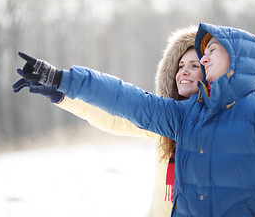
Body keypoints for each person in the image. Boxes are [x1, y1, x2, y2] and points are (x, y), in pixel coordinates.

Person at [13, 23, 255, 216]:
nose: (185, 71)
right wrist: (63, 86)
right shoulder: (177, 118)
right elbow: (120, 105)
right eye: (180, 66)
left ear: (235, 60)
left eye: (197, 62)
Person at [13, 26, 202, 217]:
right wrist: (60, 93)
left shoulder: (219, 125)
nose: (184, 72)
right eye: (180, 66)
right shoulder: (164, 119)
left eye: (194, 66)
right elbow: (113, 116)